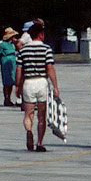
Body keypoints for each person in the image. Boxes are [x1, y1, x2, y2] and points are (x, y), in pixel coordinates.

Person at [15, 21, 58, 152]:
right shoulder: (46, 49)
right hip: (41, 82)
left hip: (28, 82)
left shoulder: (23, 50)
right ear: (40, 35)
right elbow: (50, 68)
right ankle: (39, 143)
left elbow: (19, 70)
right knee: (41, 116)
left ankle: (29, 131)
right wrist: (55, 86)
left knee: (28, 114)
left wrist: (18, 86)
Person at [0, 27, 19, 107]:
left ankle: (9, 98)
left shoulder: (12, 44)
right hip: (5, 61)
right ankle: (6, 98)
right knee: (6, 81)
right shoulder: (2, 44)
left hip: (13, 61)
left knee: (12, 81)